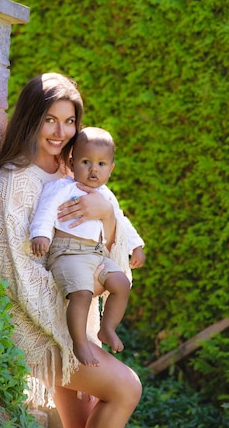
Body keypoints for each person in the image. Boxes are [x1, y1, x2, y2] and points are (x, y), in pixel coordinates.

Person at [0, 73, 142, 428]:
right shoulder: (16, 180)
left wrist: (105, 213)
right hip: (35, 326)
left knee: (83, 425)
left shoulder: (74, 173)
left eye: (69, 121)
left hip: (75, 316)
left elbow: (104, 245)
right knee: (125, 387)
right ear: (32, 118)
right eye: (50, 119)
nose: (60, 131)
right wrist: (73, 327)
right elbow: (14, 270)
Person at [29, 126, 145, 367]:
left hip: (96, 253)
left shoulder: (107, 196)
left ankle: (108, 328)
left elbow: (121, 221)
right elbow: (46, 211)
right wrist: (41, 235)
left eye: (101, 164)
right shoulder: (62, 188)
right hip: (68, 252)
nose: (94, 169)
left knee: (121, 283)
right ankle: (80, 342)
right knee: (82, 294)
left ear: (111, 168)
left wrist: (136, 246)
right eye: (85, 162)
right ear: (71, 163)